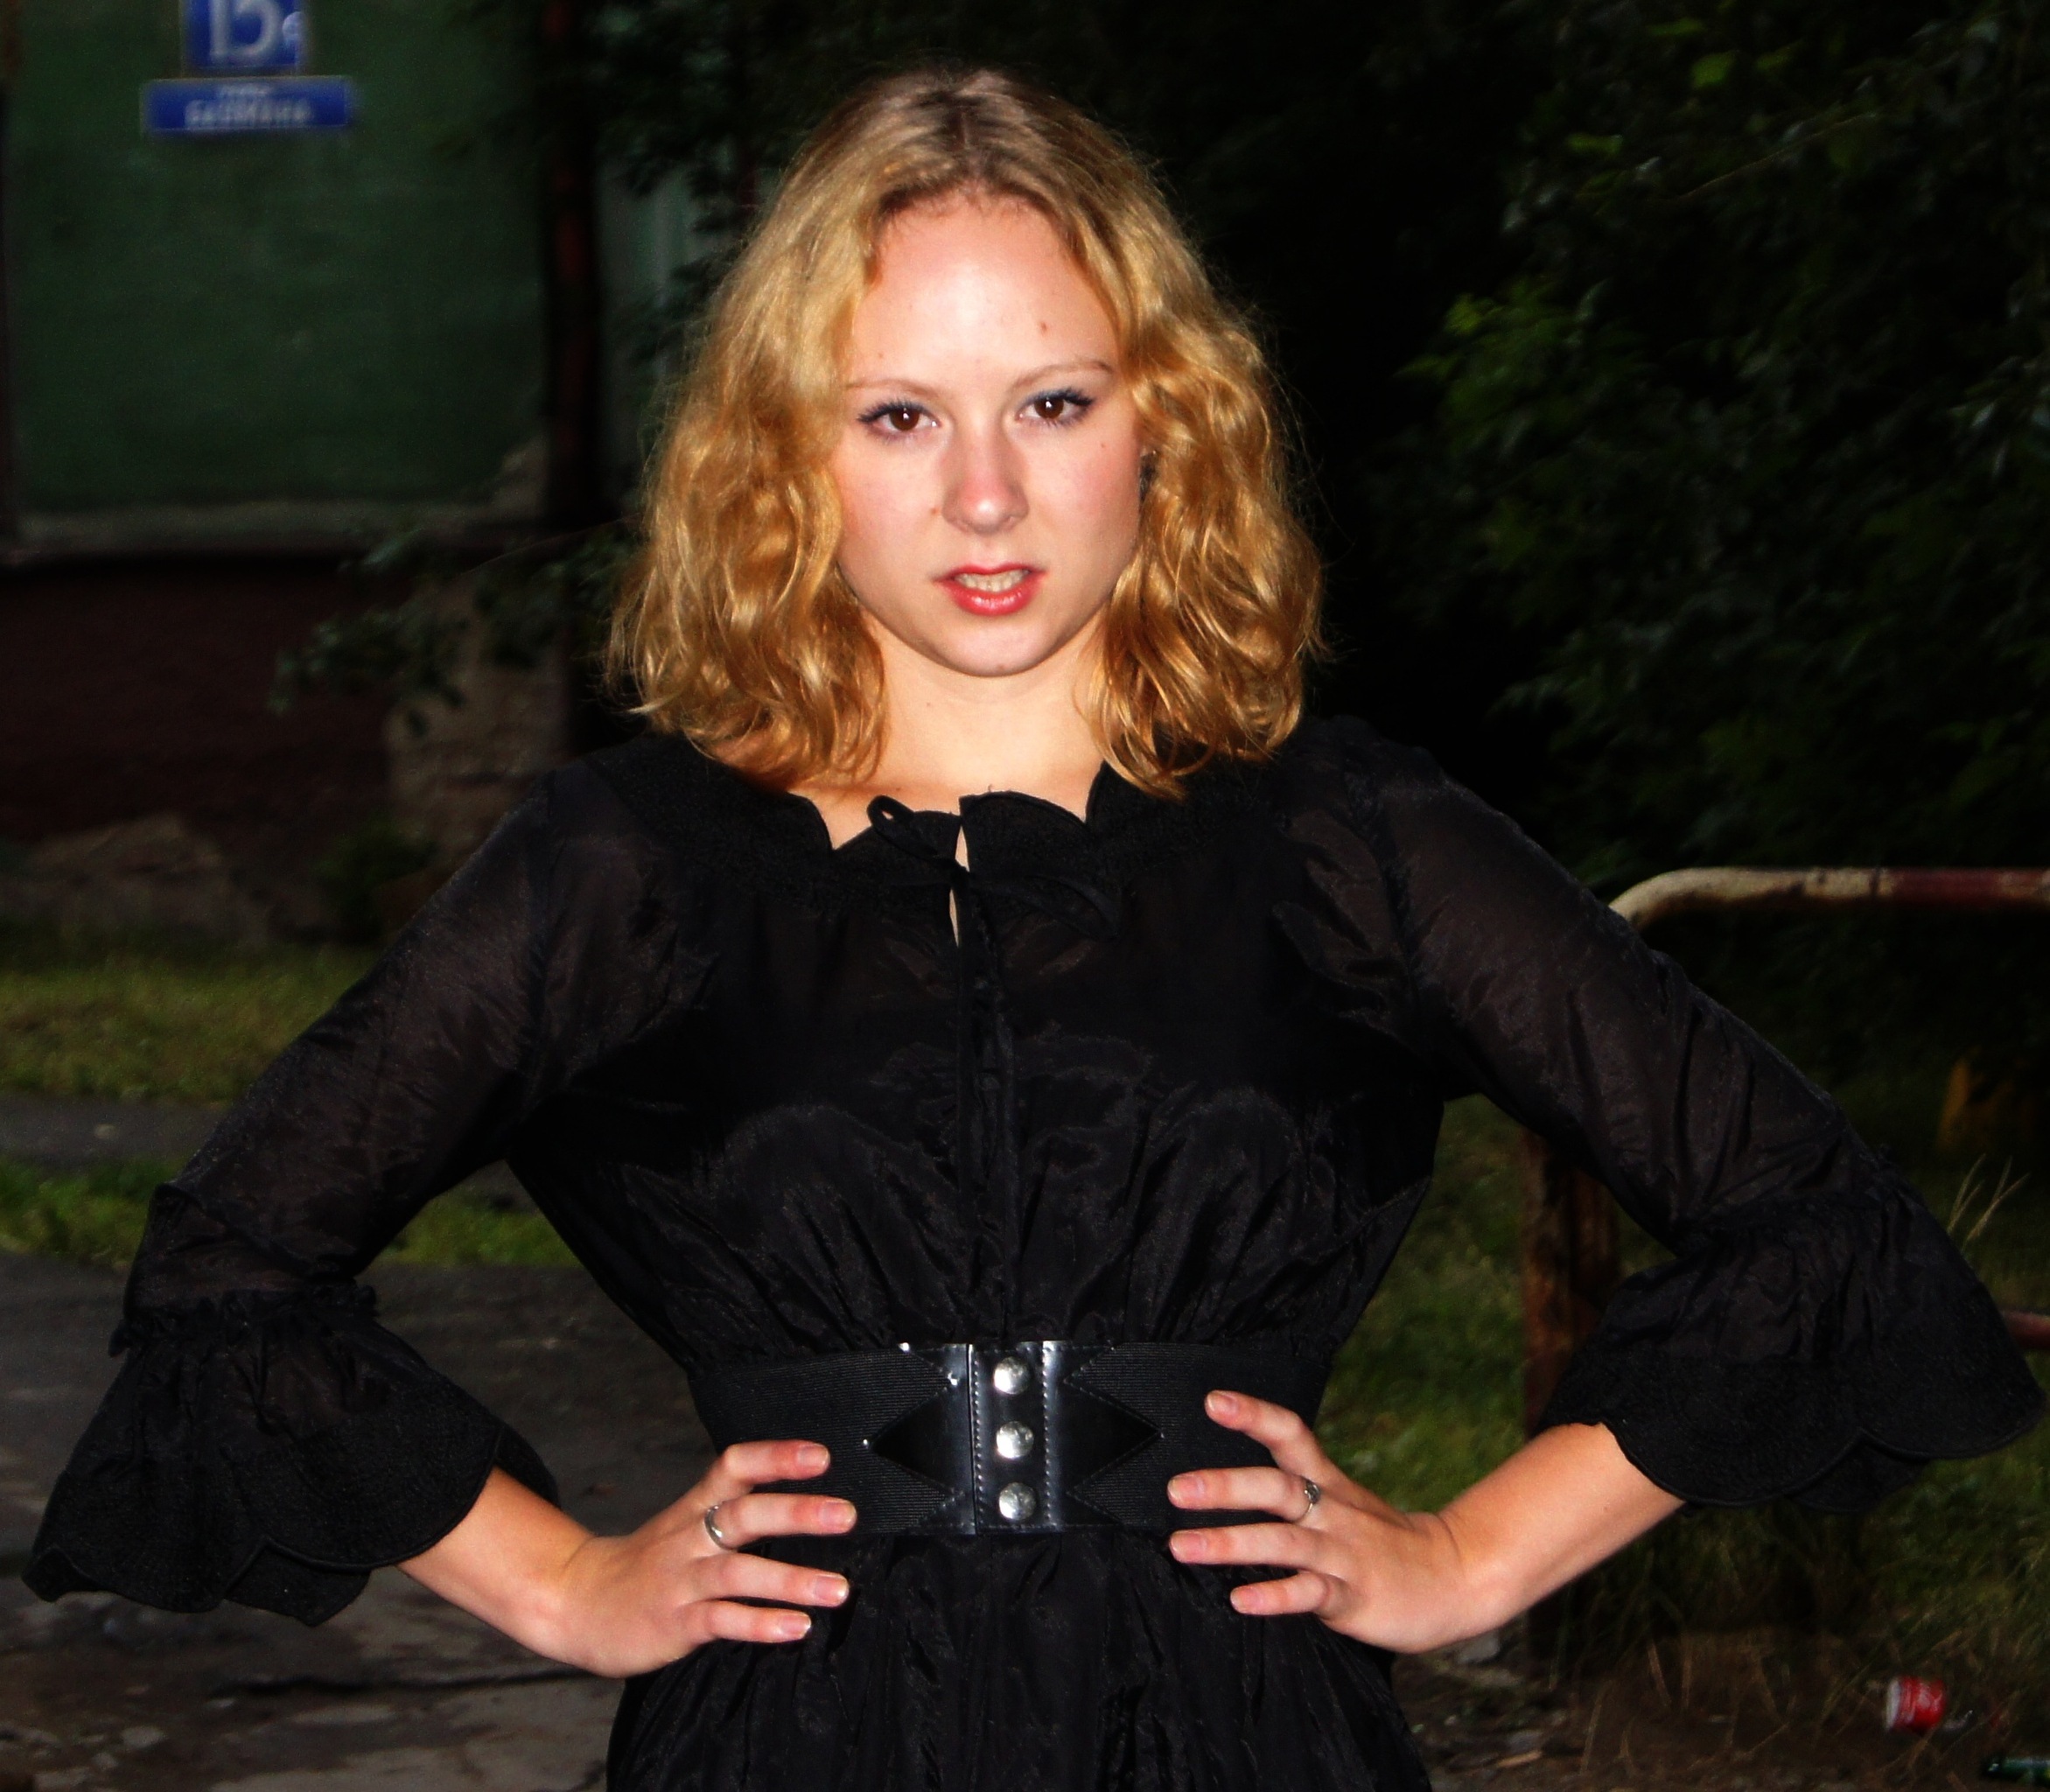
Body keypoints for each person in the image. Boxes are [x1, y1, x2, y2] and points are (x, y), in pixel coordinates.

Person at [25, 66, 2041, 1792]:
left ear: (1163, 422)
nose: (984, 496)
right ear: (783, 456)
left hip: (1244, 1730)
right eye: (898, 416)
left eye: (1052, 402)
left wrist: (1471, 1556)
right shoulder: (622, 866)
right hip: (791, 1735)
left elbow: (1820, 1231)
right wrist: (558, 1579)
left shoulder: (1349, 840)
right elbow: (229, 1271)